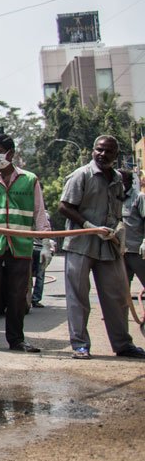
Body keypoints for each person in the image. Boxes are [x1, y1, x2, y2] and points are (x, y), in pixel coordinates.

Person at [57, 135, 145, 359]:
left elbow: (116, 208)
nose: (103, 154)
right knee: (78, 297)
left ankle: (123, 344)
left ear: (116, 155)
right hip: (81, 243)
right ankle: (80, 345)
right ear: (93, 151)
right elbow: (64, 206)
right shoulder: (82, 175)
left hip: (109, 245)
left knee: (117, 295)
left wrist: (118, 229)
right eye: (99, 150)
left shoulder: (116, 178)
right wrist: (88, 225)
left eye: (108, 151)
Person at [0, 134, 51, 353]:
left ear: (11, 153)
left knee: (18, 295)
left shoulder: (29, 180)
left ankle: (16, 339)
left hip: (21, 245)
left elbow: (39, 213)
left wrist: (46, 243)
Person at [124, 172, 145, 296]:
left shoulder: (139, 197)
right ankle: (119, 315)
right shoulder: (116, 199)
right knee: (121, 288)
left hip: (137, 251)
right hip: (121, 251)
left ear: (129, 182)